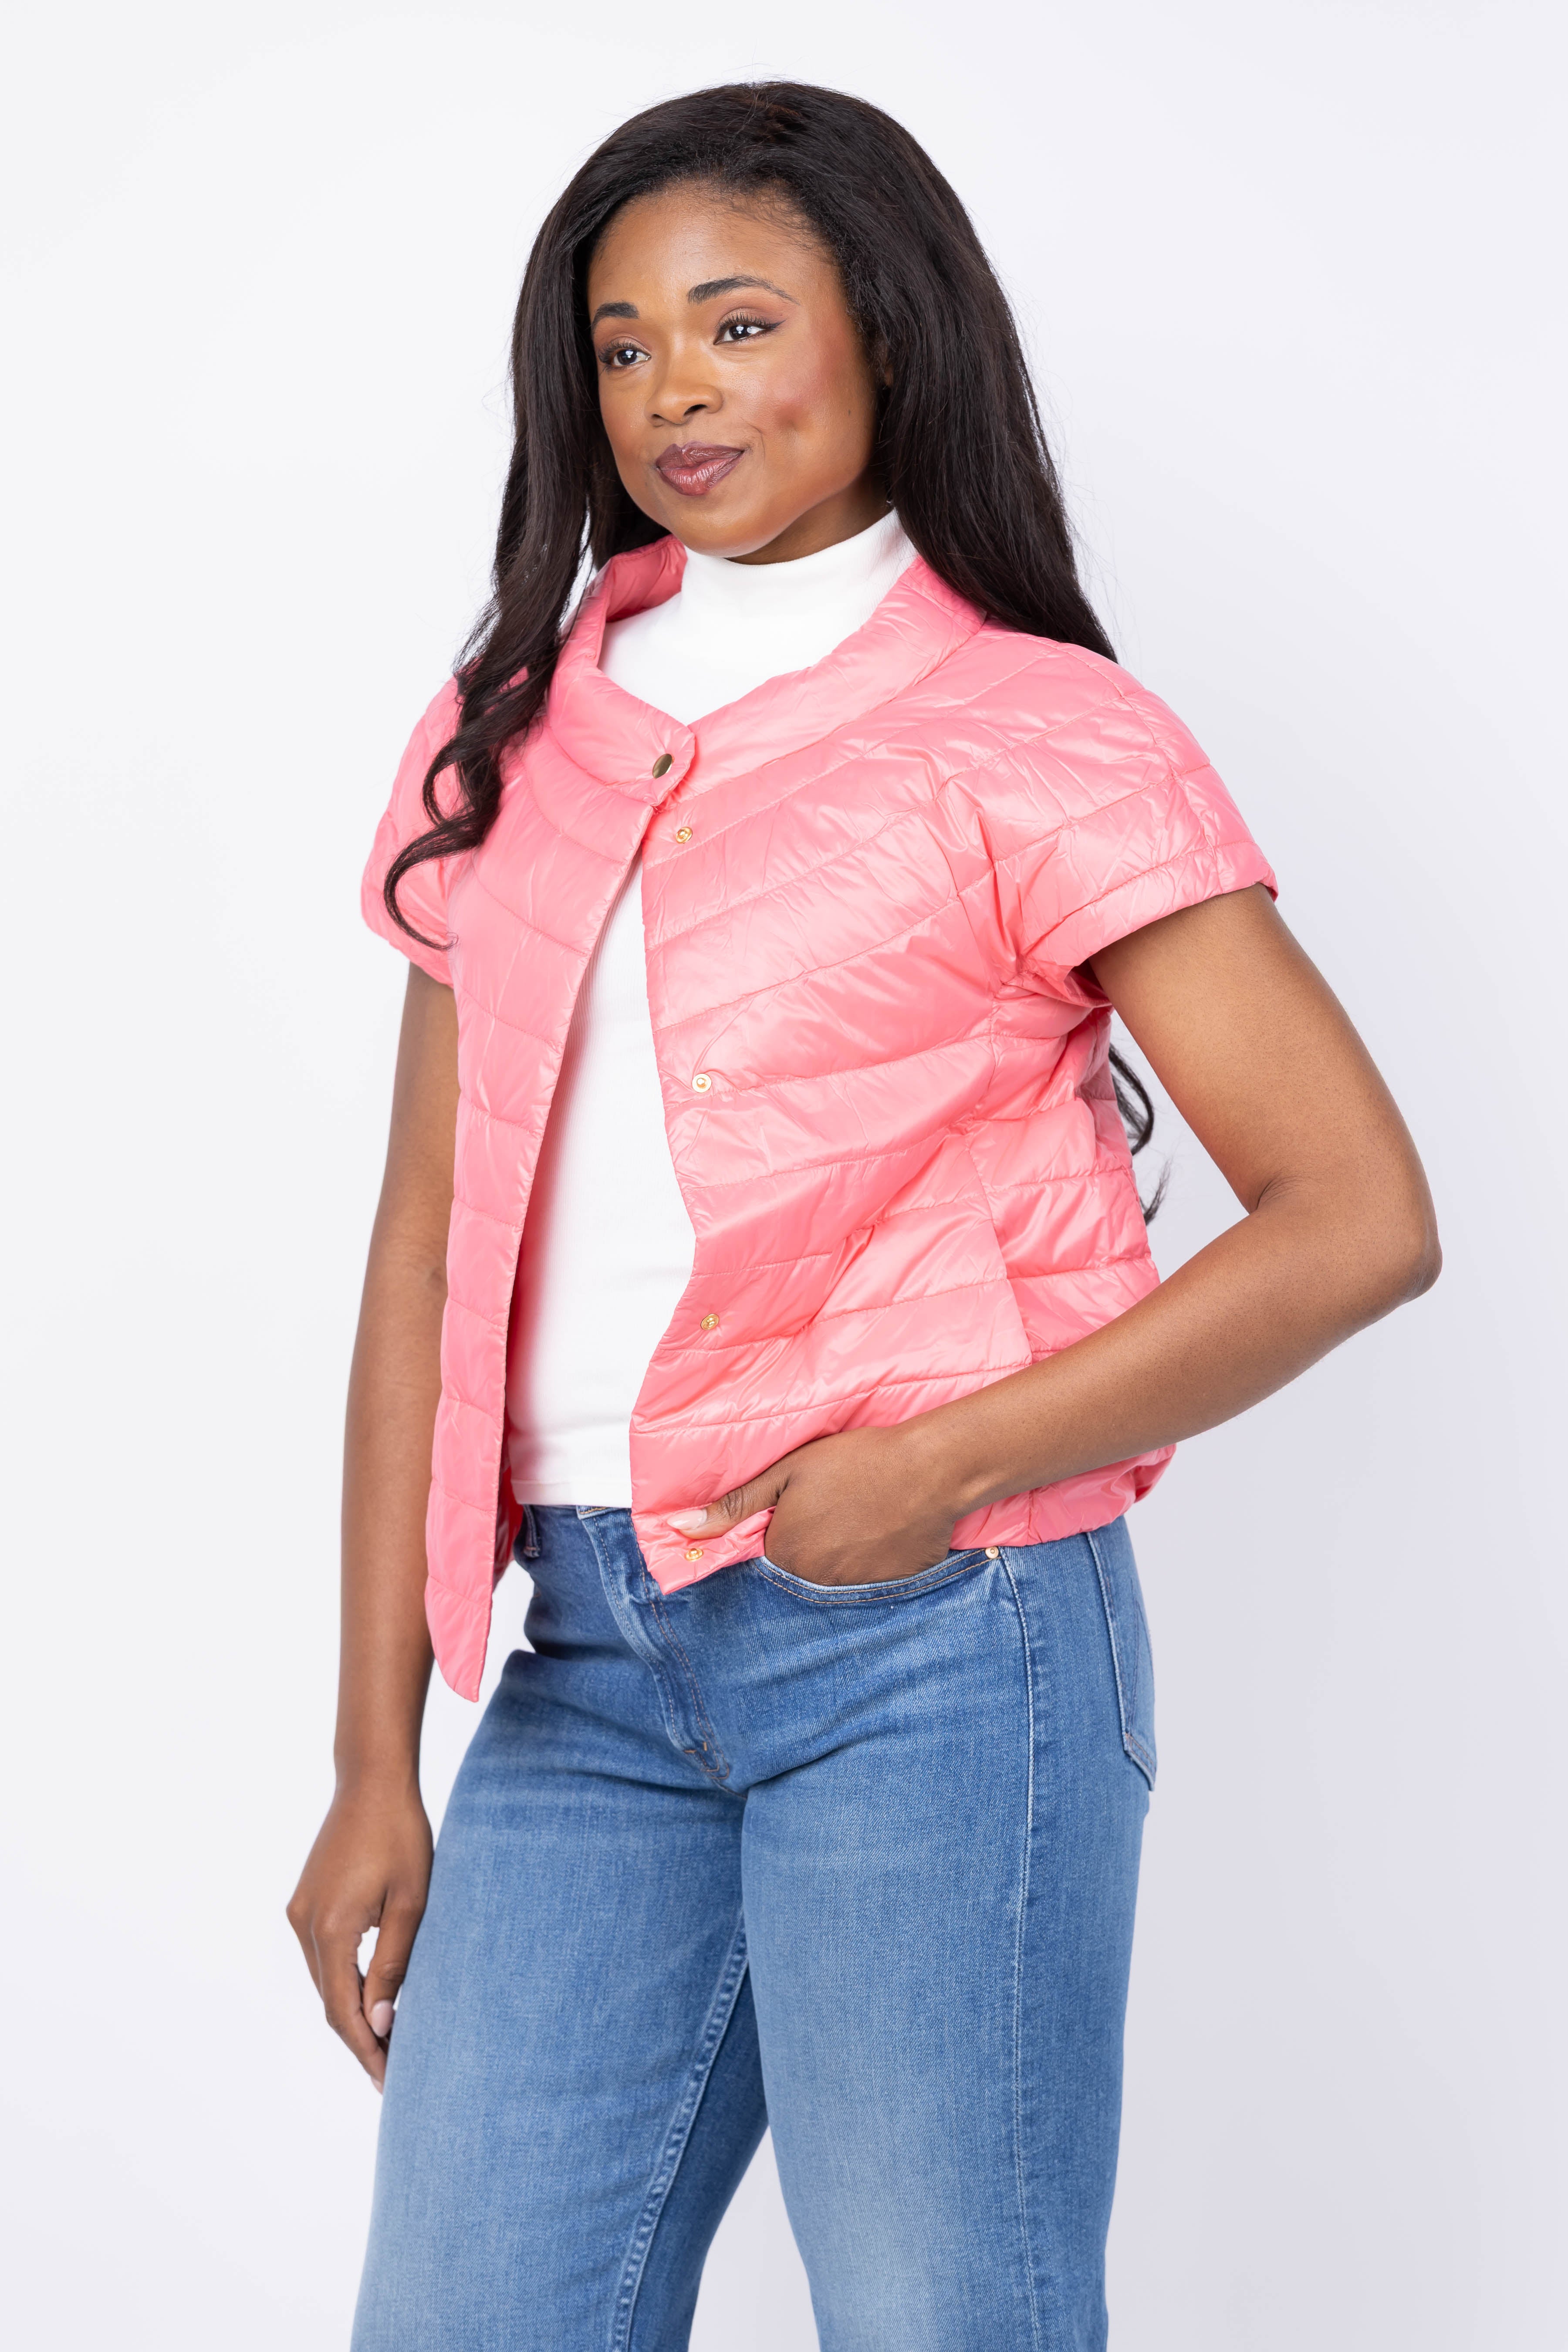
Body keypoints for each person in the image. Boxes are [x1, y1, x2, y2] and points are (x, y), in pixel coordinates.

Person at [287, 81, 1439, 2352]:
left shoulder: (1040, 732)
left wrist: (937, 1464)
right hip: (586, 1665)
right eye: (623, 345)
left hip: (937, 1645)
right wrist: (366, 1757)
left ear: (886, 336)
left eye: (737, 324)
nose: (674, 391)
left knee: (945, 2320)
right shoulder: (515, 719)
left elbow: (1356, 1213)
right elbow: (424, 1246)